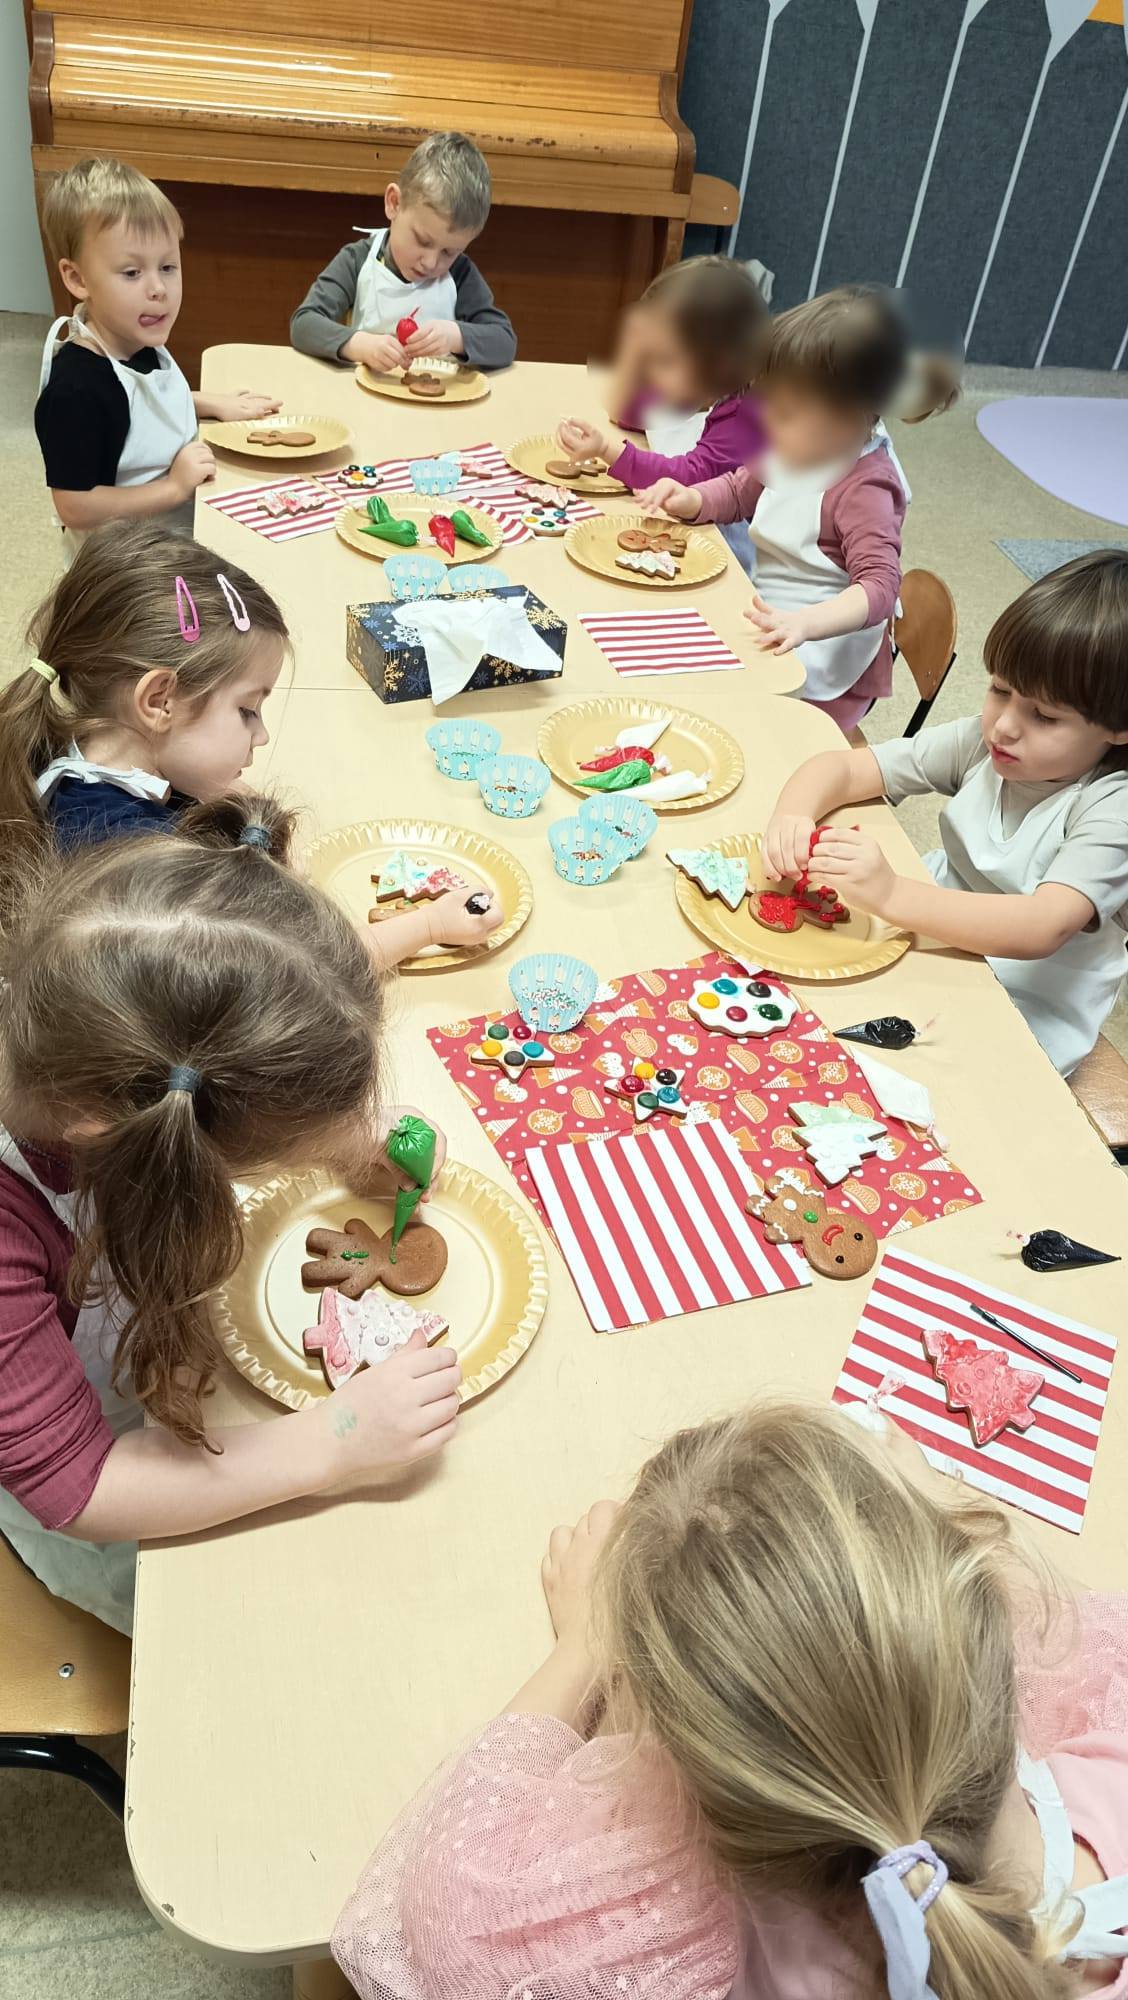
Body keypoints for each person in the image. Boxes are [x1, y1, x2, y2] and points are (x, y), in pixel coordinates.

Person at [332, 1399, 1128, 2000]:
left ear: (677, 1759)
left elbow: (455, 1909)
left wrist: (586, 1644)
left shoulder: (685, 1942)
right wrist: (937, 1520)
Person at [0, 795, 463, 1633]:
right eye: (256, 1153)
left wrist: (337, 1140)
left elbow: (223, 1026)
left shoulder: (88, 1018)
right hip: (121, 1490)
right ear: (132, 1134)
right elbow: (84, 1489)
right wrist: (335, 1439)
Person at [0, 521, 501, 960]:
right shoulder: (141, 871)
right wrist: (429, 926)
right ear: (158, 700)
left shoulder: (87, 752)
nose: (261, 735)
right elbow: (301, 972)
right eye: (246, 710)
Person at [764, 550, 1128, 1076]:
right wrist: (793, 816)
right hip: (929, 935)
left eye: (1045, 716)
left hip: (1019, 1005)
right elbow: (841, 768)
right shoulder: (985, 741)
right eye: (1000, 689)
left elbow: (1041, 927)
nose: (1004, 725)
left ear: (1118, 728)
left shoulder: (1112, 808)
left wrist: (892, 894)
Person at [636, 283, 958, 732]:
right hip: (773, 616)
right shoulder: (797, 444)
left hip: (823, 657)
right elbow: (740, 490)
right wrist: (693, 499)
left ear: (848, 419)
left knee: (734, 726)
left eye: (785, 412)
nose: (766, 420)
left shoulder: (865, 487)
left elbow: (881, 588)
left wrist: (806, 624)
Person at [34, 157, 280, 538]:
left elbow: (142, 408)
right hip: (127, 559)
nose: (158, 289)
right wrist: (173, 488)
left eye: (167, 267)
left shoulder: (132, 338)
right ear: (78, 278)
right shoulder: (76, 389)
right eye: (132, 273)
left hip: (175, 530)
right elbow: (75, 506)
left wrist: (208, 402)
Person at [553, 257, 768, 572]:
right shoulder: (706, 385)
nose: (652, 372)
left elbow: (689, 478)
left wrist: (607, 450)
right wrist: (634, 346)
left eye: (665, 359)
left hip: (731, 557)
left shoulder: (744, 416)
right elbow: (628, 411)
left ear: (719, 363)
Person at [290, 131, 516, 375]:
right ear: (394, 203)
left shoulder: (460, 274)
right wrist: (358, 345)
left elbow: (505, 341)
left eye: (449, 252)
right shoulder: (356, 260)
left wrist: (457, 337)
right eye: (422, 240)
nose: (431, 263)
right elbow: (304, 323)